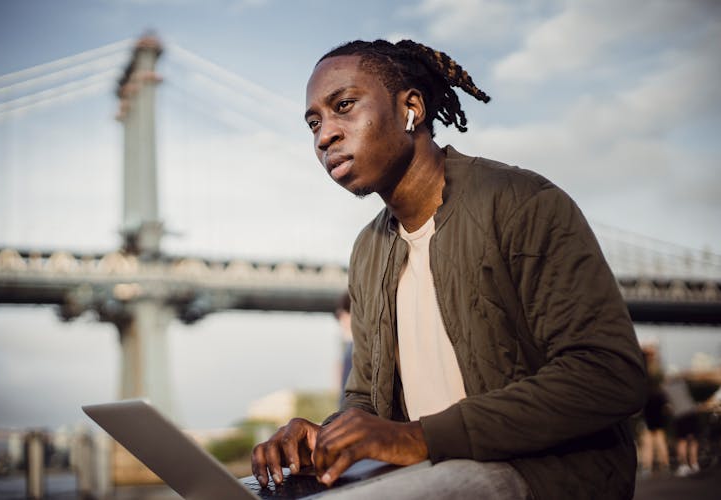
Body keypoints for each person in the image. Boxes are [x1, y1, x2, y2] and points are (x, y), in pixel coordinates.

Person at [251, 39, 647, 499]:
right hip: (421, 475)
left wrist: (417, 438)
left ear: (410, 108)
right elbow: (365, 398)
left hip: (540, 476)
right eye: (315, 123)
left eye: (344, 107)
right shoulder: (367, 250)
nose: (324, 137)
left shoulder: (522, 203)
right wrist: (328, 435)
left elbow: (608, 375)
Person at [638, 342, 670, 476]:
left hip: (649, 403)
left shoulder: (644, 369)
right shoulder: (658, 369)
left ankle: (647, 466)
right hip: (659, 402)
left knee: (648, 437)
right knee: (659, 435)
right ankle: (665, 464)